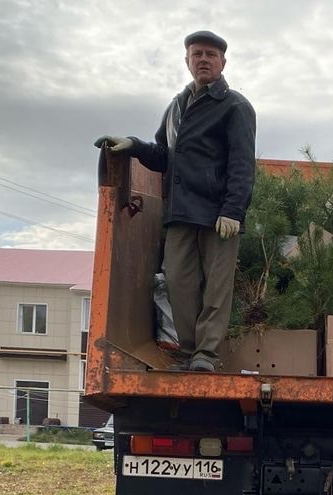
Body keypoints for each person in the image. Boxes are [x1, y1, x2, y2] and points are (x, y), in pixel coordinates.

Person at [95, 30, 256, 372]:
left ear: (223, 62)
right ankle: (188, 350)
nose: (203, 60)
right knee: (177, 283)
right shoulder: (176, 107)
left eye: (211, 55)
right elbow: (164, 157)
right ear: (187, 60)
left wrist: (233, 210)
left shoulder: (235, 106)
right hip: (181, 212)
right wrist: (133, 146)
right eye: (197, 54)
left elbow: (242, 163)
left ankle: (206, 355)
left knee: (216, 288)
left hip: (217, 214)